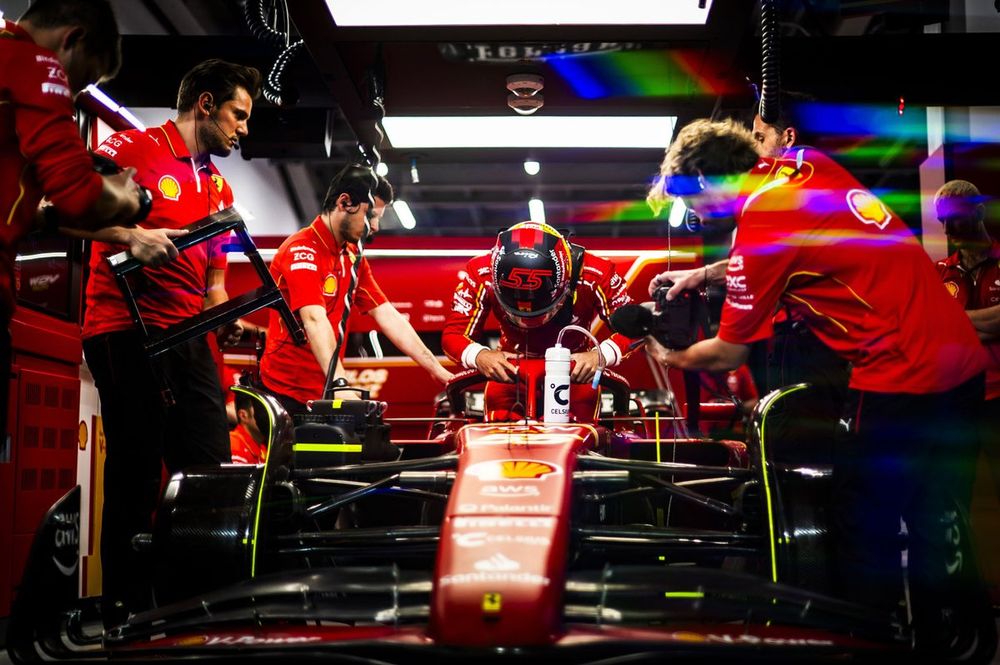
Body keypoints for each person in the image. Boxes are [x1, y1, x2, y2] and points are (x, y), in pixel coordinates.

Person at [644, 118, 989, 654]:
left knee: (861, 520)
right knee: (937, 511)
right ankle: (957, 636)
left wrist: (669, 355)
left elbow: (729, 350)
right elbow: (793, 235)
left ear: (713, 180)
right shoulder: (806, 163)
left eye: (695, 199)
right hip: (961, 363)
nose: (697, 215)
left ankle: (867, 642)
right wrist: (705, 274)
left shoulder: (759, 226)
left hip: (900, 376)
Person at [72, 58, 261, 627]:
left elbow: (214, 285)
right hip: (124, 328)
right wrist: (131, 234)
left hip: (189, 337)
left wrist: (225, 317)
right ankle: (123, 616)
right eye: (238, 114)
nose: (243, 129)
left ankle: (191, 609)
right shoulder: (134, 149)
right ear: (205, 104)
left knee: (206, 467)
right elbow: (67, 211)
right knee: (136, 466)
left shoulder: (219, 185)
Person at [0, 0, 147, 442]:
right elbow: (77, 193)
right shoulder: (32, 60)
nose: (74, 96)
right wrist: (126, 200)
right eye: (79, 82)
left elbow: (35, 207)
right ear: (71, 39)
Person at [260, 166, 453, 415]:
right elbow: (314, 320)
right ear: (344, 202)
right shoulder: (302, 250)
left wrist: (439, 372)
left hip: (321, 390)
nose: (375, 226)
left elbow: (387, 315)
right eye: (370, 215)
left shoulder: (351, 257)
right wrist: (340, 383)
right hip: (286, 394)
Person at [441, 220, 637, 422]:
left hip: (573, 372)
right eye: (516, 314)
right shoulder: (480, 272)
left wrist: (599, 356)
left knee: (580, 429)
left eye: (541, 313)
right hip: (510, 371)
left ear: (566, 284)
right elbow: (453, 335)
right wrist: (479, 355)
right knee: (497, 428)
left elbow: (636, 328)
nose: (526, 322)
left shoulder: (597, 273)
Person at [934, 180, 1000, 502]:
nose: (947, 229)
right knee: (953, 498)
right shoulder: (939, 274)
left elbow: (949, 327)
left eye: (954, 218)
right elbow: (935, 331)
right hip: (957, 402)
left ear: (979, 212)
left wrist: (957, 325)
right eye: (941, 221)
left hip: (998, 397)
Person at [230, 391, 268, 464]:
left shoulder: (263, 448)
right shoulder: (234, 444)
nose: (266, 416)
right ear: (243, 415)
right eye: (260, 410)